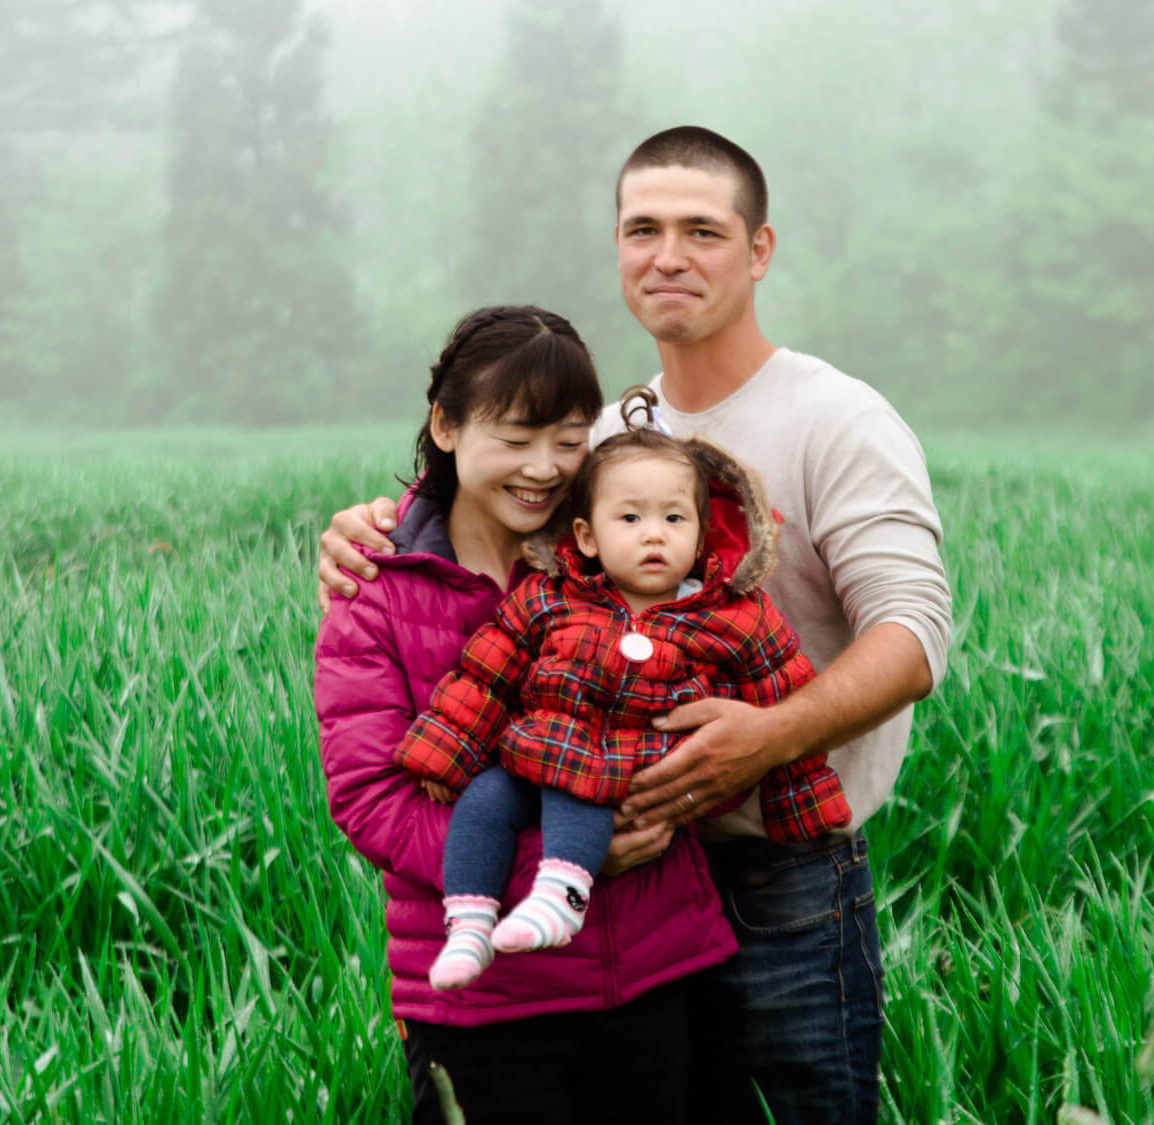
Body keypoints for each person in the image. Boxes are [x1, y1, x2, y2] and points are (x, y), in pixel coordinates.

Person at [317, 129, 953, 1125]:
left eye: (703, 230)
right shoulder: (610, 435)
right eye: (642, 229)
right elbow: (490, 497)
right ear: (616, 247)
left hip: (781, 874)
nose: (669, 255)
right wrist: (371, 528)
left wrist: (764, 740)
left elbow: (914, 634)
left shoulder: (836, 418)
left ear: (760, 249)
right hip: (632, 882)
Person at [313, 306, 738, 1125]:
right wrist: (569, 866)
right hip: (484, 1007)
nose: (543, 467)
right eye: (514, 438)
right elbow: (372, 799)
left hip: (660, 975)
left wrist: (673, 800)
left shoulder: (624, 557)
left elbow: (719, 715)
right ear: (445, 424)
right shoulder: (375, 592)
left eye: (569, 438)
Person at [395, 389, 851, 991]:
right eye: (630, 519)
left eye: (674, 518)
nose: (653, 536)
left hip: (634, 766)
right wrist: (443, 755)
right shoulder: (552, 598)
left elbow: (782, 692)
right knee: (482, 800)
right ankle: (470, 921)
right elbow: (488, 673)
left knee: (575, 777)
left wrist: (805, 809)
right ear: (586, 536)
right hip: (538, 753)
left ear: (704, 531)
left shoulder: (728, 614)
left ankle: (561, 895)